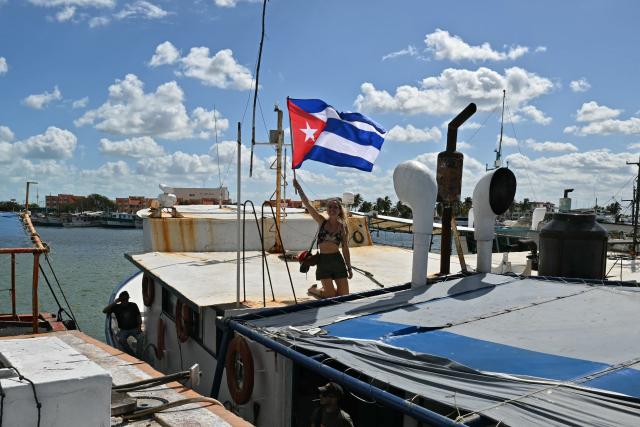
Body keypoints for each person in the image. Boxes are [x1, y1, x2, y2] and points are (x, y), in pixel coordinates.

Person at [293, 178, 352, 298]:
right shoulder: (321, 221)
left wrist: (349, 267)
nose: (332, 209)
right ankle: (313, 290)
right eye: (330, 207)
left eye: (335, 207)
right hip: (323, 261)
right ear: (327, 209)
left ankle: (326, 288)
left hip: (337, 260)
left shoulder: (342, 227)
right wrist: (299, 188)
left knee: (344, 295)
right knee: (330, 296)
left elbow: (345, 249)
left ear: (339, 210)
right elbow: (308, 205)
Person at [103, 291, 143, 356]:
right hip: (123, 330)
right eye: (123, 300)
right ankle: (132, 354)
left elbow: (138, 316)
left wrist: (139, 327)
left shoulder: (133, 305)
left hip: (135, 328)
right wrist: (114, 303)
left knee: (141, 338)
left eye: (126, 299)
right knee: (121, 340)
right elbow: (104, 311)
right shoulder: (116, 307)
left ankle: (139, 353)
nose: (125, 301)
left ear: (128, 299)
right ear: (120, 300)